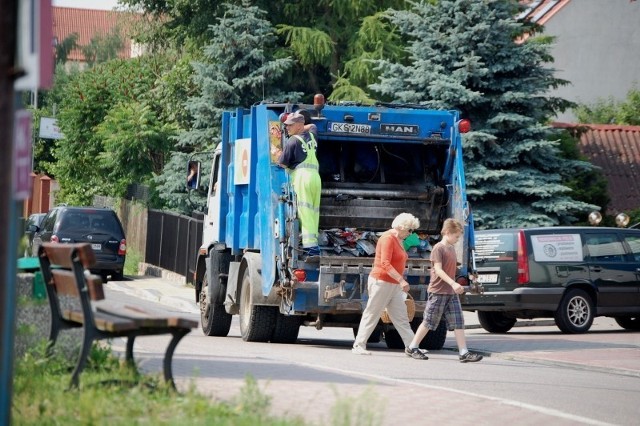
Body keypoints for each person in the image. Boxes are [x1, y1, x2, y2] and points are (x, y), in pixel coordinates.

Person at [352, 213, 429, 359]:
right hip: (382, 282)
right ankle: (358, 345)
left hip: (392, 284)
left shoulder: (398, 238)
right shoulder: (388, 238)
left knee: (401, 317)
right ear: (401, 227)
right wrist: (401, 280)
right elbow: (385, 263)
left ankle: (412, 347)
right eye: (409, 230)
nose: (410, 233)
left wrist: (398, 281)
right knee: (372, 314)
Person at [407, 218, 483, 363]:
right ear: (448, 232)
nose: (457, 239)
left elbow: (451, 269)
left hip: (450, 292)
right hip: (438, 291)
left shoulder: (451, 248)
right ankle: (413, 347)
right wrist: (453, 283)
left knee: (458, 321)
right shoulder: (438, 248)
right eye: (456, 236)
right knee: (429, 321)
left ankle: (464, 352)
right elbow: (438, 270)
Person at [278, 112, 321, 256]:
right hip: (316, 178)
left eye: (290, 125)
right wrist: (303, 126)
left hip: (303, 179)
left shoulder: (293, 141)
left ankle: (311, 249)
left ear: (298, 125)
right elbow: (313, 125)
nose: (287, 128)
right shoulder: (313, 136)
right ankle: (314, 243)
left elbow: (282, 164)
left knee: (305, 212)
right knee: (314, 211)